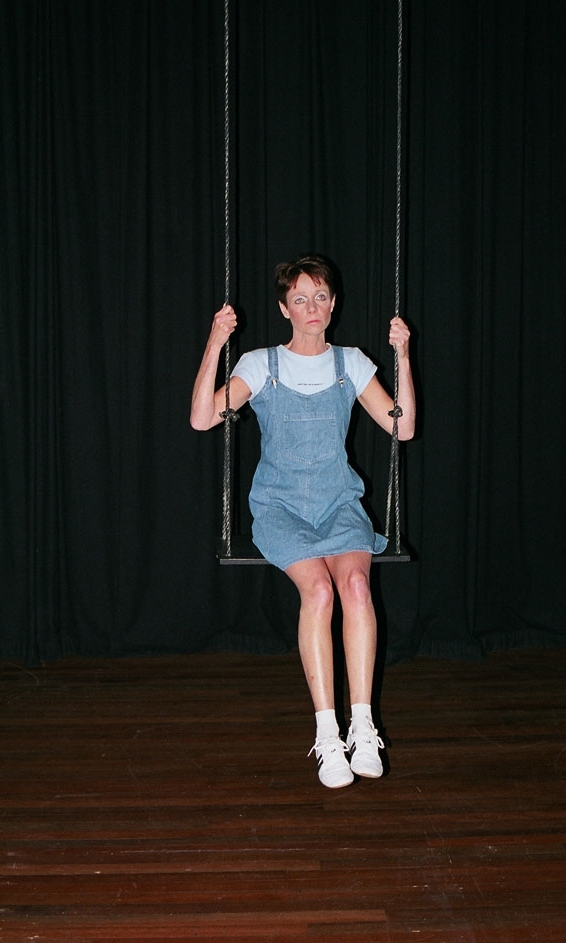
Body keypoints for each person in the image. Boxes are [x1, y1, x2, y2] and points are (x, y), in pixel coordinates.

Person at [191, 255, 415, 788]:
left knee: (356, 586)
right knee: (318, 592)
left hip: (338, 502)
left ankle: (363, 726)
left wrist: (403, 357)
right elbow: (202, 418)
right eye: (299, 298)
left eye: (320, 297)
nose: (311, 307)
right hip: (280, 506)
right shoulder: (260, 364)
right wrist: (215, 343)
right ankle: (327, 734)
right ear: (284, 308)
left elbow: (402, 428)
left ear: (333, 304)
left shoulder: (351, 363)